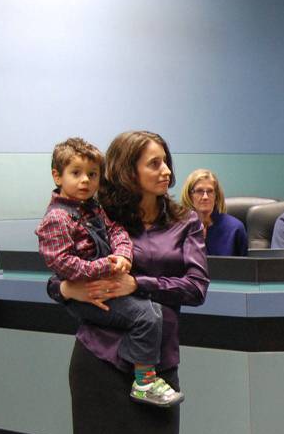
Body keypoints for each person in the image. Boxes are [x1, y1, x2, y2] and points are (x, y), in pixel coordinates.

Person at [48, 130, 209, 434]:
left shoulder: (185, 224)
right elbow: (57, 279)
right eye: (153, 164)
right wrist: (67, 291)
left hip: (156, 363)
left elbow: (196, 286)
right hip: (99, 359)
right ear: (127, 170)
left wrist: (139, 281)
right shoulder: (97, 215)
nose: (165, 172)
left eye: (167, 162)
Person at [36, 137, 182, 408]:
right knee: (145, 315)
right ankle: (145, 381)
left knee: (150, 314)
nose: (85, 181)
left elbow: (117, 232)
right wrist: (75, 284)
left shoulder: (95, 209)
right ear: (57, 175)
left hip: (158, 342)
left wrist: (123, 256)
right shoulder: (58, 218)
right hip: (94, 335)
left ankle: (143, 375)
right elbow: (61, 267)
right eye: (76, 173)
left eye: (92, 175)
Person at [179, 168, 248, 256]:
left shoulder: (235, 229)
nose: (205, 197)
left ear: (216, 196)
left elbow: (245, 268)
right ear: (189, 195)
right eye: (199, 191)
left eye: (210, 191)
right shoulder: (178, 228)